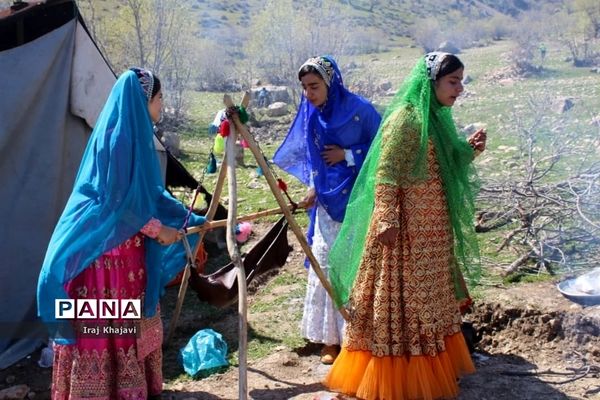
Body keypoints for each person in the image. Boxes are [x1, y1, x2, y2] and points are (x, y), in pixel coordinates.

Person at [324, 52, 486, 399]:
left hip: (433, 233)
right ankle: (396, 378)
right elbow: (386, 172)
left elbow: (444, 162)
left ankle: (430, 368)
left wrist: (468, 151)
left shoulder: (437, 118)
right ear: (432, 82)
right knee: (403, 303)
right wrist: (386, 217)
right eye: (453, 81)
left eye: (461, 81)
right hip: (404, 233)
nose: (459, 88)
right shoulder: (407, 118)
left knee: (431, 302)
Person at [37, 67, 206, 400]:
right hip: (107, 253)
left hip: (118, 247)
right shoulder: (121, 139)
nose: (162, 106)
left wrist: (189, 217)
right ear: (143, 100)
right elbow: (118, 203)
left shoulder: (128, 134)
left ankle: (119, 389)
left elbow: (148, 194)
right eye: (159, 99)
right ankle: (103, 391)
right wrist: (159, 230)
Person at [273, 55, 381, 364]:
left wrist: (348, 154)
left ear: (330, 83)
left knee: (354, 267)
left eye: (315, 86)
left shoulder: (361, 111)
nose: (309, 94)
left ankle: (356, 337)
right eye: (305, 88)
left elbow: (383, 148)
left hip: (357, 203)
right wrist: (312, 188)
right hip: (325, 204)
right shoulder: (313, 116)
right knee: (325, 266)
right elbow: (314, 160)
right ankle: (329, 341)